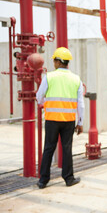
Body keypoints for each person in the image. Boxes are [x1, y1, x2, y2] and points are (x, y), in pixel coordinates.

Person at [36, 47, 85, 189]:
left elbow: (39, 96)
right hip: (69, 120)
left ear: (58, 62)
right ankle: (69, 178)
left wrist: (42, 103)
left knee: (48, 149)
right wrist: (80, 122)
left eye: (54, 61)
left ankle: (43, 181)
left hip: (52, 119)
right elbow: (81, 104)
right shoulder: (76, 79)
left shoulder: (49, 77)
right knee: (67, 149)